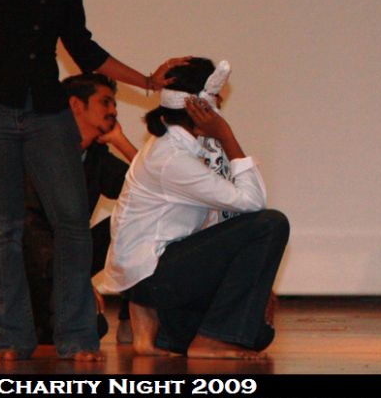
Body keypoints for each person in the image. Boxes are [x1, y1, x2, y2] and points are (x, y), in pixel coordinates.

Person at [0, 0, 185, 362]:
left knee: (72, 220)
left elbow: (82, 47)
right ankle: (11, 335)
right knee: (2, 226)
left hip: (45, 108)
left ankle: (76, 335)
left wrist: (146, 82)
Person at [100, 59, 289, 360]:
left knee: (256, 334)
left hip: (162, 276)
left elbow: (222, 222)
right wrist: (226, 135)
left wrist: (255, 281)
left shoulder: (183, 146)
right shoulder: (172, 158)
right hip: (154, 277)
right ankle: (207, 340)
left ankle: (164, 333)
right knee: (271, 224)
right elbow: (253, 203)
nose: (221, 103)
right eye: (216, 97)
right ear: (200, 106)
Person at [25, 73, 137, 345]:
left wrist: (120, 141)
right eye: (105, 102)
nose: (114, 111)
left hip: (70, 257)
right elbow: (32, 230)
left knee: (137, 219)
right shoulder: (39, 149)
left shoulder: (96, 157)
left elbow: (153, 192)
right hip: (33, 263)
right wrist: (78, 282)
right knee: (87, 327)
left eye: (114, 104)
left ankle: (131, 318)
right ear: (76, 105)